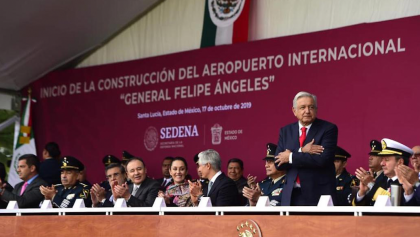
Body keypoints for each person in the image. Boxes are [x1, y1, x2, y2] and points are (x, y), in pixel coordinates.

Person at [274, 91, 338, 206]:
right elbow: (279, 163)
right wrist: (301, 151)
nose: (307, 111)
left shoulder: (328, 129)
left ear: (316, 109)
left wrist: (290, 156)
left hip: (318, 195)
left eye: (311, 107)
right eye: (302, 107)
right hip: (291, 195)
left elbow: (323, 159)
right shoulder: (285, 131)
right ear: (294, 111)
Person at [353, 138, 415, 206]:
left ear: (400, 162)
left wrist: (371, 185)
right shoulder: (379, 180)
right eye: (382, 159)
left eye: (387, 160)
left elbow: (394, 205)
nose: (382, 163)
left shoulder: (409, 183)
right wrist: (362, 192)